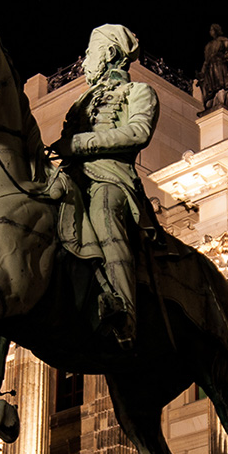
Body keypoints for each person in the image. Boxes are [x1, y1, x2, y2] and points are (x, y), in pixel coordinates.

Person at [50, 24, 160, 349]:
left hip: (112, 178)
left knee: (103, 210)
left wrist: (81, 143)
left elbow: (138, 133)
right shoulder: (78, 104)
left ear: (109, 53)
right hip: (71, 176)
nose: (83, 61)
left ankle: (125, 313)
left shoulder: (139, 92)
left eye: (89, 53)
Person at [197, 23, 228, 116]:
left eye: (212, 30)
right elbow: (206, 61)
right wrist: (202, 72)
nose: (210, 32)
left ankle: (222, 99)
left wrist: (226, 56)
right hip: (210, 68)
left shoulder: (223, 40)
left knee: (220, 83)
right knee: (210, 87)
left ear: (216, 30)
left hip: (219, 64)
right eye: (210, 30)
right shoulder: (209, 45)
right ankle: (212, 101)